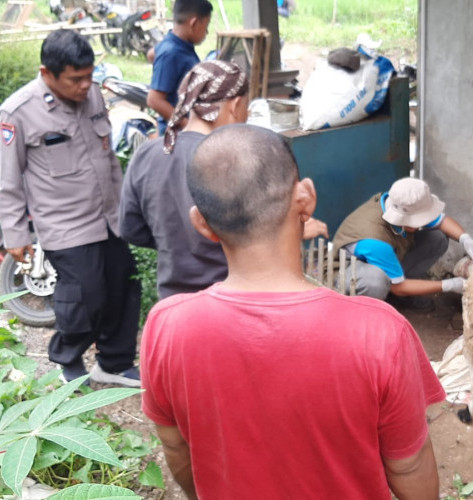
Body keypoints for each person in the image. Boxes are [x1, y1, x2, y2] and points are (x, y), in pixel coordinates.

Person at [140, 124, 444, 499]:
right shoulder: (380, 333)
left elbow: (175, 448)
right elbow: (409, 465)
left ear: (202, 223)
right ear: (306, 198)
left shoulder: (167, 327)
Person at [0, 30, 141, 387]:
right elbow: (10, 182)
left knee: (124, 284)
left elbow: (107, 161)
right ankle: (67, 359)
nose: (85, 85)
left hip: (107, 216)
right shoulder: (18, 112)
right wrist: (14, 234)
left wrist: (126, 211)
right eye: (76, 79)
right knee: (85, 294)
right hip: (65, 223)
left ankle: (115, 362)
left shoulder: (92, 95)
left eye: (89, 76)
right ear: (47, 73)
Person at [120, 60, 328, 299]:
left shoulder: (147, 154)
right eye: (245, 106)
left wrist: (175, 242)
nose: (246, 114)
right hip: (234, 300)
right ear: (235, 105)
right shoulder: (238, 160)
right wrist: (295, 228)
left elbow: (131, 229)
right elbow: (260, 230)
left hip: (175, 301)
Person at [331, 177, 473, 304]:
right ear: (404, 219)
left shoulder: (400, 202)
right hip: (348, 271)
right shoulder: (375, 241)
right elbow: (398, 287)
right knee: (376, 281)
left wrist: (465, 239)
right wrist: (448, 285)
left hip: (384, 258)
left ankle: (403, 296)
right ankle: (369, 313)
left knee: (437, 238)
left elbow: (441, 221)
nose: (424, 222)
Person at [147, 0, 212, 135]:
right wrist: (186, 124)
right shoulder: (171, 53)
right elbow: (154, 100)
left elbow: (151, 54)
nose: (207, 32)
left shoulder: (178, 44)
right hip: (177, 136)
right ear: (194, 23)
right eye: (206, 26)